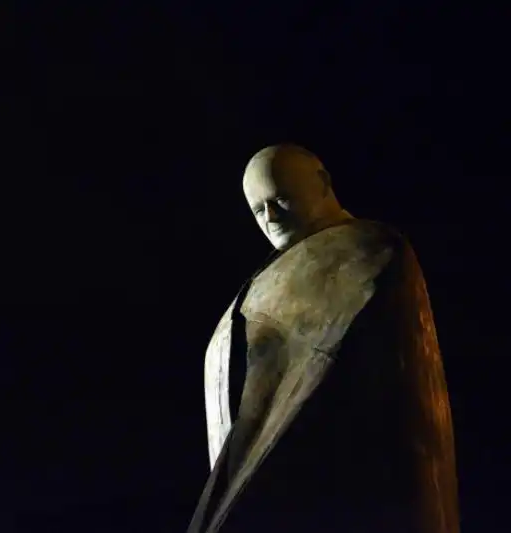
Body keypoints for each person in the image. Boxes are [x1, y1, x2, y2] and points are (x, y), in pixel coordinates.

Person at [188, 145, 460, 533]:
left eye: (280, 197)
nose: (270, 217)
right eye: (258, 209)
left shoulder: (367, 250)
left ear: (321, 183)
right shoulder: (261, 284)